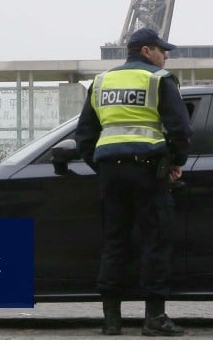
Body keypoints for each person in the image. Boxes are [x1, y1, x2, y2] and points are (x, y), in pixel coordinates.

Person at [74, 27, 192, 337]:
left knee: (114, 242)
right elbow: (181, 128)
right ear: (146, 51)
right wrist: (176, 162)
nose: (165, 55)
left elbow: (84, 134)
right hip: (148, 170)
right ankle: (154, 318)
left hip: (111, 173)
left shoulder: (102, 82)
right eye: (161, 50)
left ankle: (111, 320)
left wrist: (100, 166)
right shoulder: (157, 79)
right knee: (154, 242)